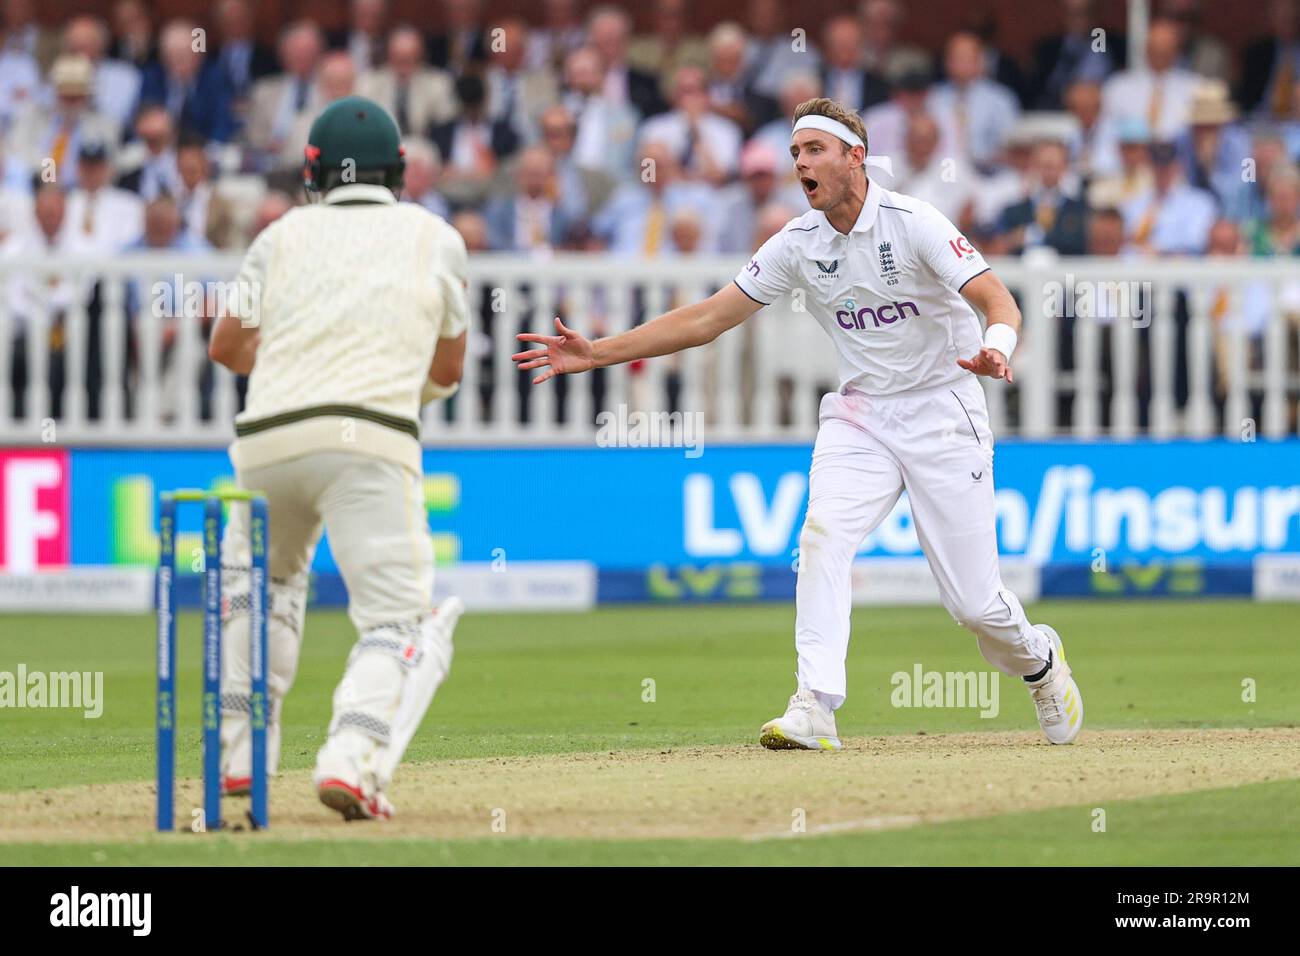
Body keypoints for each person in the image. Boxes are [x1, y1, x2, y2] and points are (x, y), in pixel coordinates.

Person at [513, 97, 1084, 750]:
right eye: (795, 153)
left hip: (942, 413)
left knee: (976, 607)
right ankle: (814, 703)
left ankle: (1040, 661)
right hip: (860, 417)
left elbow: (995, 298)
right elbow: (709, 317)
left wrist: (999, 348)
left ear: (855, 158)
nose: (801, 164)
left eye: (815, 150)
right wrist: (600, 351)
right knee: (821, 537)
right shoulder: (796, 243)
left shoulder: (914, 222)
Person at [207, 96, 468, 820]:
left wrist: (303, 354)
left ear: (312, 172)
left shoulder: (282, 232)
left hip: (265, 438)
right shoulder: (435, 236)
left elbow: (226, 346)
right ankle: (349, 762)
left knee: (261, 590)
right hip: (370, 437)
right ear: (401, 170)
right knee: (399, 621)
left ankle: (237, 759)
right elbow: (447, 371)